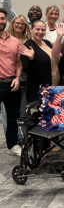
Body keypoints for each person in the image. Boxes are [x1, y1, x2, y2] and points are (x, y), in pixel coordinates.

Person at [1, 15, 31, 143]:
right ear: (12, 23)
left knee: (17, 114)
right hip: (3, 80)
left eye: (23, 23)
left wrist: (18, 77)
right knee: (6, 116)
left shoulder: (20, 41)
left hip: (16, 81)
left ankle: (17, 142)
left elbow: (19, 62)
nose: (20, 25)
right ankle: (14, 141)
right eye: (17, 23)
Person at [19, 20, 61, 103]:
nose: (40, 32)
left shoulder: (47, 42)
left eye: (43, 30)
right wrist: (31, 58)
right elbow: (28, 70)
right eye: (37, 29)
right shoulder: (27, 46)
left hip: (55, 86)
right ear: (31, 30)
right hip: (39, 89)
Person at [0, 8, 23, 156]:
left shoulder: (15, 41)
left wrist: (18, 77)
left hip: (11, 83)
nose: (0, 21)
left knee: (13, 116)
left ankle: (13, 144)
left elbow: (19, 62)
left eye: (2, 18)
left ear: (6, 20)